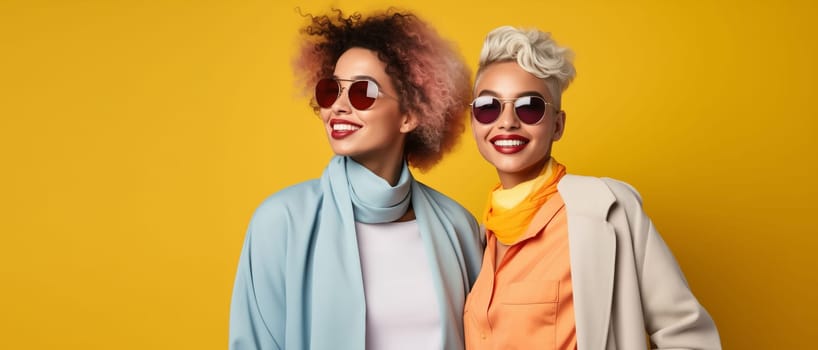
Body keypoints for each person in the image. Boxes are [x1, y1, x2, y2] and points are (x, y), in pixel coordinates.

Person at [228, 9, 484, 350]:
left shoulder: (457, 227)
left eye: (363, 92)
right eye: (330, 91)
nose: (339, 106)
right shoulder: (281, 221)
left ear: (410, 115)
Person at [463, 26, 721, 350]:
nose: (507, 121)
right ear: (473, 120)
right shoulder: (473, 238)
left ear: (557, 124)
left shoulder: (608, 210)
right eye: (489, 106)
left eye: (529, 106)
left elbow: (687, 336)